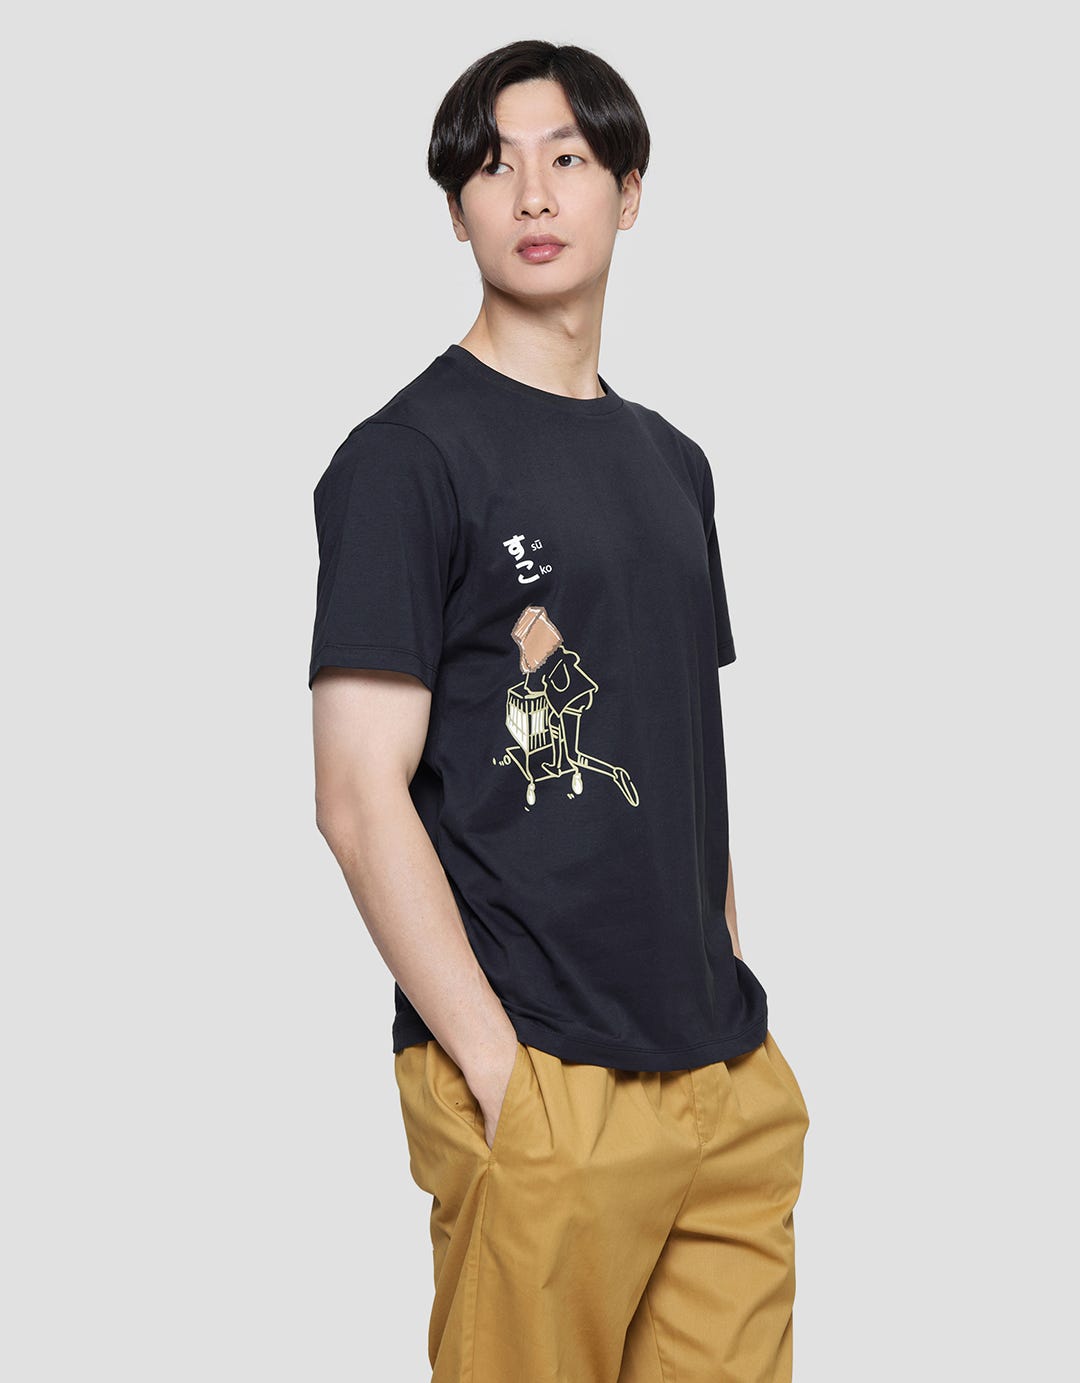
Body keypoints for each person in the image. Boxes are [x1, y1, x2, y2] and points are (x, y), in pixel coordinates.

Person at [309, 38, 810, 1383]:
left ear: (628, 193)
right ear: (456, 210)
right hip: (540, 1072)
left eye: (569, 159)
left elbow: (681, 753)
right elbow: (357, 796)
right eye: (493, 166)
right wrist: (496, 1070)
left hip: (719, 1072)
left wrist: (733, 1011)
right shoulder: (405, 460)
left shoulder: (673, 464)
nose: (532, 193)